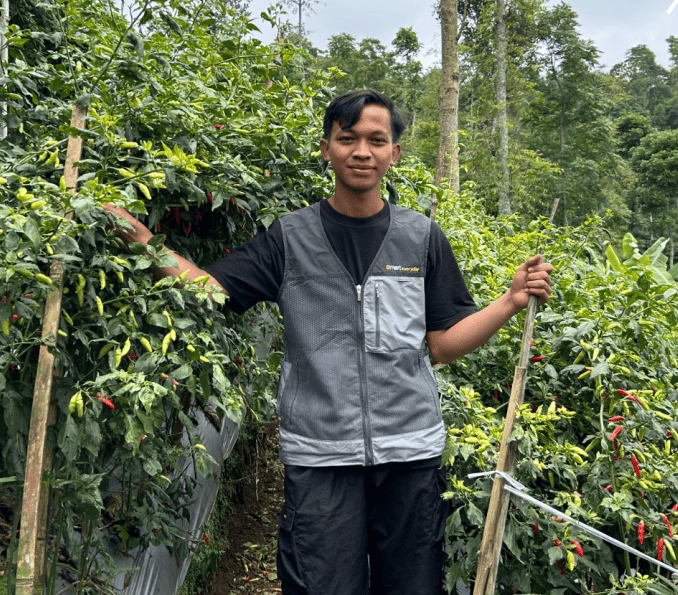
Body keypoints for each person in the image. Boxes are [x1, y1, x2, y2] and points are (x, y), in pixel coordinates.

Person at [105, 89, 553, 595]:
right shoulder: (289, 238)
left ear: (394, 154)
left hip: (409, 452)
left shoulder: (422, 237)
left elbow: (443, 344)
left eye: (376, 140)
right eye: (348, 138)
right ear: (326, 149)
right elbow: (211, 291)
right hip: (320, 455)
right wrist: (145, 244)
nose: (362, 151)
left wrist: (510, 302)